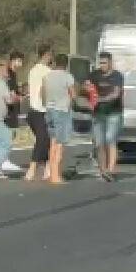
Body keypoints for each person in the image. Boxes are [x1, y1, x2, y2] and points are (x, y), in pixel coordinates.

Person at [87, 51, 124, 181]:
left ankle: (111, 169)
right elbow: (86, 87)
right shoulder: (94, 75)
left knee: (110, 139)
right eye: (100, 63)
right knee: (99, 143)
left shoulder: (117, 76)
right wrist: (86, 88)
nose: (102, 65)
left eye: (104, 63)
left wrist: (101, 99)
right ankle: (103, 170)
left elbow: (116, 93)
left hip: (114, 113)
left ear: (110, 63)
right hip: (98, 114)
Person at [42, 53, 76, 185]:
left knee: (52, 142)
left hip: (49, 110)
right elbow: (73, 95)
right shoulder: (68, 77)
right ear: (66, 64)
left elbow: (43, 94)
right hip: (62, 111)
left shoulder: (47, 76)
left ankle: (51, 173)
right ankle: (56, 176)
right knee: (60, 144)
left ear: (55, 62)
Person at [25, 45, 53, 182]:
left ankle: (48, 167)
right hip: (42, 109)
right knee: (42, 140)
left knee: (45, 140)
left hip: (32, 110)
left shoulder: (32, 70)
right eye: (50, 55)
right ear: (46, 55)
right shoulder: (47, 71)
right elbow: (44, 90)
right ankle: (32, 168)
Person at [5, 50, 24, 137]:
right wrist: (18, 97)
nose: (21, 63)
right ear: (13, 60)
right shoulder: (7, 72)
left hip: (13, 107)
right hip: (7, 108)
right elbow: (9, 90)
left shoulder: (14, 73)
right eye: (19, 61)